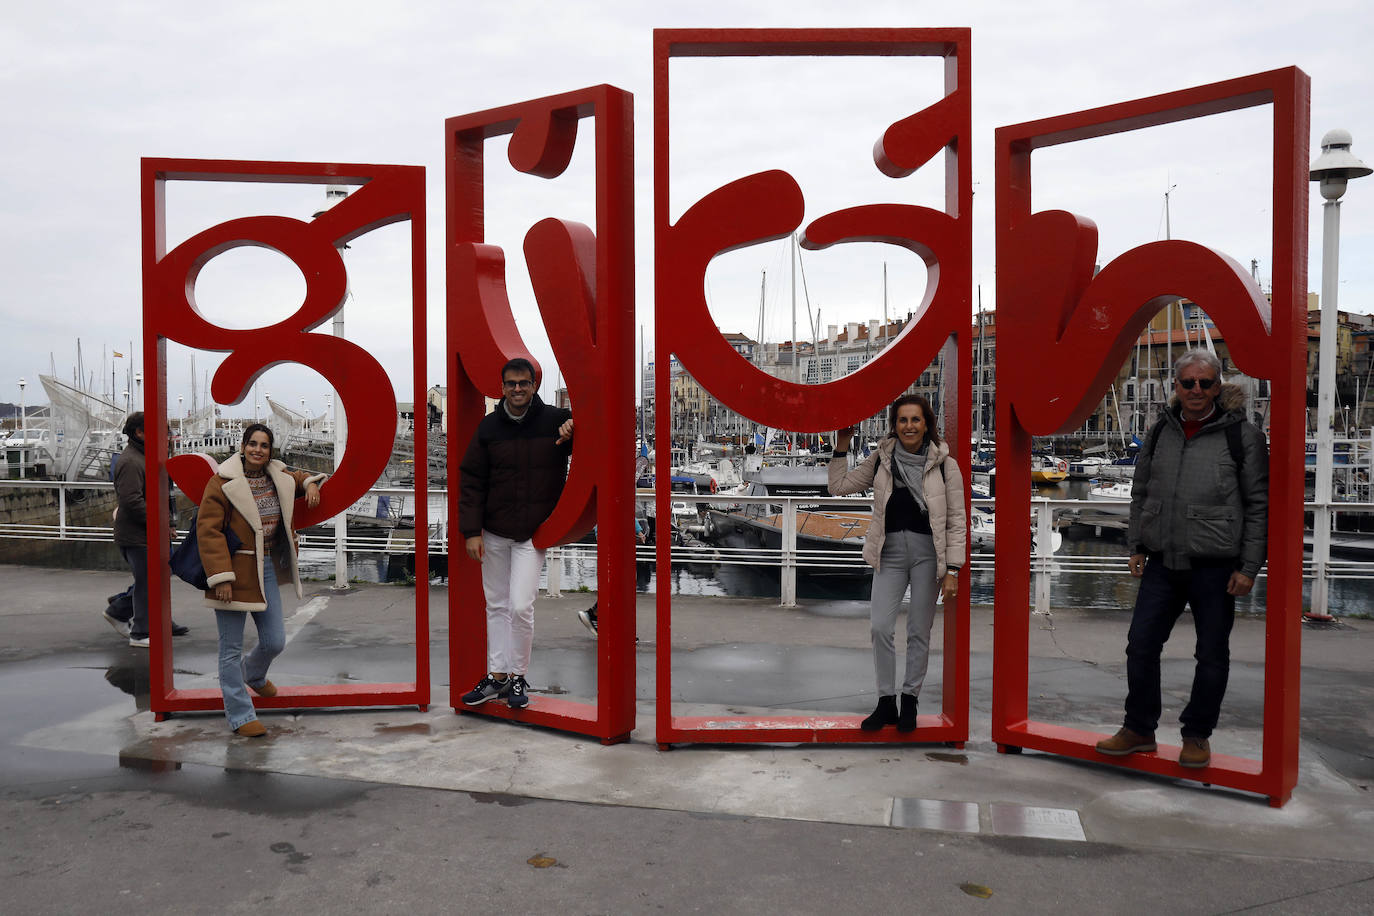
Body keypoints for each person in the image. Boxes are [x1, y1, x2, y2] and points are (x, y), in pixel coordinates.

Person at [1095, 349, 1268, 769]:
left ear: (1218, 386)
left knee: (1211, 654)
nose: (1196, 390)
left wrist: (1248, 567)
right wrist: (1136, 545)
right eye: (1187, 382)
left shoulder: (1242, 436)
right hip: (1161, 561)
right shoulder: (1159, 432)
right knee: (1140, 646)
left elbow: (1259, 504)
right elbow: (1141, 492)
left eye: (1205, 383)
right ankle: (1139, 729)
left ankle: (1197, 734)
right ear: (1176, 385)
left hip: (1216, 566)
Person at [828, 394, 966, 733]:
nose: (909, 426)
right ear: (895, 424)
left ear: (926, 424)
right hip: (888, 552)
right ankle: (886, 701)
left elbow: (957, 520)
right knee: (880, 628)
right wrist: (842, 446)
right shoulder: (881, 460)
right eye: (903, 420)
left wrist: (953, 570)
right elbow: (838, 486)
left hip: (927, 555)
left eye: (915, 420)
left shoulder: (946, 465)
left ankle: (910, 701)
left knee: (919, 631)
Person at [458, 358, 574, 710]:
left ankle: (518, 676)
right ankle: (498, 677)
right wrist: (470, 531)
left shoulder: (556, 421)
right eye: (511, 384)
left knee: (521, 606)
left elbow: (586, 448)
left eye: (524, 383)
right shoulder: (489, 427)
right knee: (496, 604)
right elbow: (472, 480)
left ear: (534, 385)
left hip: (532, 533)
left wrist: (574, 430)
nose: (518, 389)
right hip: (492, 530)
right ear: (502, 386)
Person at [198, 423, 324, 737]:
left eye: (264, 445)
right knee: (230, 649)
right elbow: (208, 531)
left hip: (265, 567)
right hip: (233, 570)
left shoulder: (276, 475)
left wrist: (310, 483)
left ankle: (253, 674)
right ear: (242, 447)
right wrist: (221, 578)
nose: (258, 449)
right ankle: (240, 715)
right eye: (252, 444)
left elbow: (300, 476)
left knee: (274, 640)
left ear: (270, 451)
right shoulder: (222, 482)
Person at [109, 411, 188, 646]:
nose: (165, 435)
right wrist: (161, 523)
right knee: (148, 582)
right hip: (137, 536)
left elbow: (165, 494)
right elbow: (131, 501)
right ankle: (141, 632)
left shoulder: (150, 456)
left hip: (152, 531)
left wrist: (169, 523)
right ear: (139, 433)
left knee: (160, 577)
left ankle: (131, 612)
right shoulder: (131, 461)